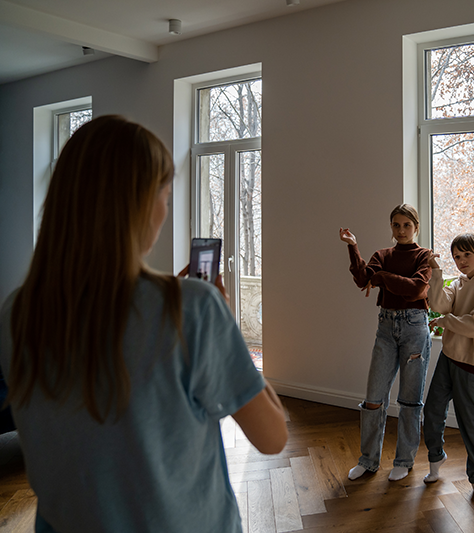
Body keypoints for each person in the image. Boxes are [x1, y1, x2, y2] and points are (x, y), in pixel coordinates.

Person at [0, 115, 288, 533]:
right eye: (166, 196)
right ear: (139, 204)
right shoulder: (193, 310)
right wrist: (218, 323)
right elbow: (273, 436)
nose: (165, 211)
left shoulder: (15, 314)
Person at [339, 204, 432, 482]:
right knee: (373, 399)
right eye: (396, 225)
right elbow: (361, 279)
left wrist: (380, 278)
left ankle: (404, 460)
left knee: (410, 400)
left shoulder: (425, 256)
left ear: (416, 226)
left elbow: (416, 288)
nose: (401, 230)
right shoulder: (383, 254)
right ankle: (368, 460)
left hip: (415, 327)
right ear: (390, 227)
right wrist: (353, 247)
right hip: (386, 327)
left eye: (406, 225)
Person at [423, 233, 474, 504]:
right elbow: (438, 304)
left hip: (473, 364)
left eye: (466, 255)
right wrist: (436, 272)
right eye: (457, 257)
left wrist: (446, 322)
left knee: (471, 423)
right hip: (449, 357)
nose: (461, 261)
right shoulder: (458, 283)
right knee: (432, 410)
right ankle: (435, 461)